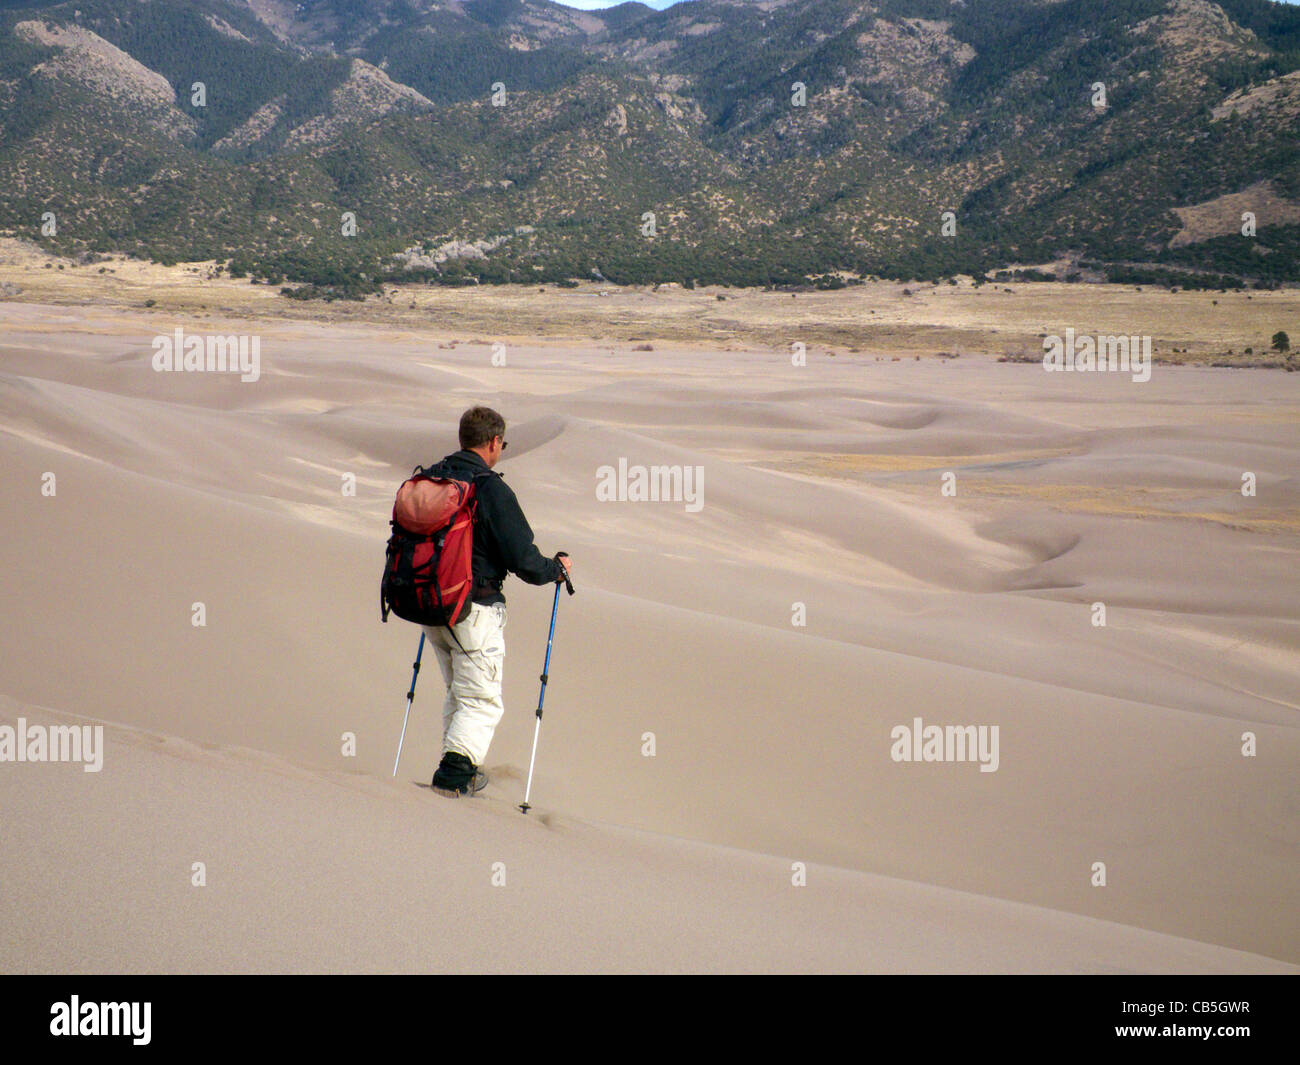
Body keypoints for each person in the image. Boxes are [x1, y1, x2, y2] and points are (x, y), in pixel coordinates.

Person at [422, 406, 571, 797]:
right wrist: (555, 569)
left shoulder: (432, 477)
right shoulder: (489, 489)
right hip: (473, 610)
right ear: (493, 442)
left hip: (429, 604)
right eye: (502, 444)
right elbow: (524, 559)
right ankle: (452, 780)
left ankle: (455, 769)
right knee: (481, 701)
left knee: (461, 693)